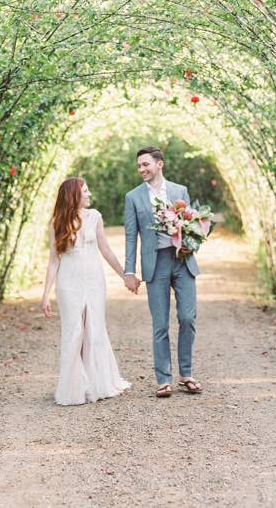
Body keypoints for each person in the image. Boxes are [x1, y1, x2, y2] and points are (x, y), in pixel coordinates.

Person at [41, 177, 130, 405]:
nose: (90, 195)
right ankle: (72, 389)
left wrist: (124, 275)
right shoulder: (57, 223)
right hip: (68, 281)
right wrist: (46, 294)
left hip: (93, 280)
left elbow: (106, 250)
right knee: (73, 332)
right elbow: (53, 260)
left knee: (94, 329)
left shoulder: (95, 217)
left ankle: (97, 383)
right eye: (85, 191)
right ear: (73, 196)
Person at [123, 146, 203, 398]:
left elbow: (192, 226)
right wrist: (129, 271)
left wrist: (189, 241)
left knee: (188, 318)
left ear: (160, 164)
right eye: (138, 166)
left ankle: (186, 374)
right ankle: (163, 379)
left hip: (182, 260)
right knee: (160, 324)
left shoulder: (180, 191)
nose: (141, 169)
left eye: (145, 164)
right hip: (155, 264)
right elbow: (130, 236)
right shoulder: (133, 197)